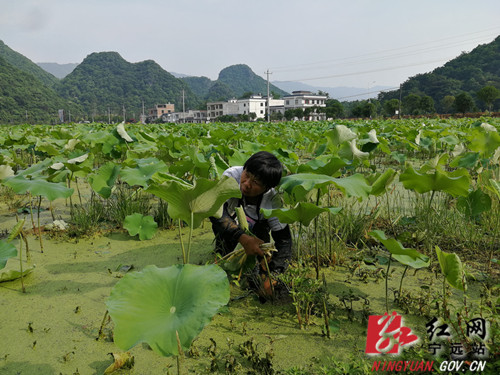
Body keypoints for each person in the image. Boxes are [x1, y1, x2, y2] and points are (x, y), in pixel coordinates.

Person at [210, 151, 292, 295]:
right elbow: (216, 213)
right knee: (223, 252)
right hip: (230, 219)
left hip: (259, 223)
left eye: (255, 183)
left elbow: (284, 240)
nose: (247, 184)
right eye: (247, 175)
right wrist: (243, 238)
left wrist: (274, 274)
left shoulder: (272, 199)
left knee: (262, 257)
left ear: (267, 188)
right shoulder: (231, 176)